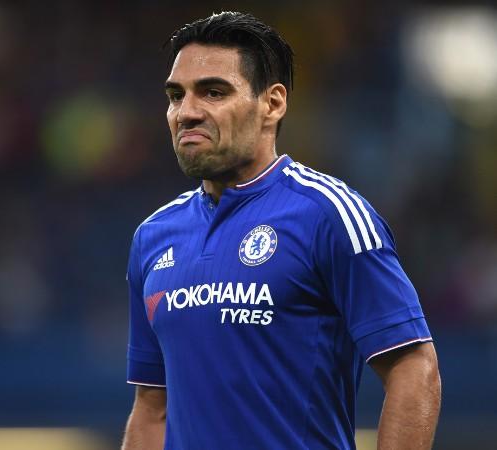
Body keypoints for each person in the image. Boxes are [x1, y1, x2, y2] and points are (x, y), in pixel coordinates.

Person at [122, 11, 441, 450]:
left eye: (213, 92)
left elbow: (414, 369)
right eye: (176, 95)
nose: (187, 112)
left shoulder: (329, 214)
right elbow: (151, 407)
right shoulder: (153, 236)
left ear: (272, 104)